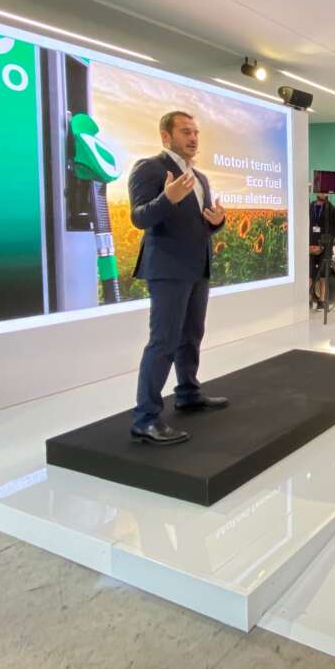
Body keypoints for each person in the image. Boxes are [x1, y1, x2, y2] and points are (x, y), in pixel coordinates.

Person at [127, 111, 228, 446]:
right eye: (186, 131)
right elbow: (140, 217)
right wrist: (167, 198)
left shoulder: (200, 177)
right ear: (165, 136)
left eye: (196, 132)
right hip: (168, 269)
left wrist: (217, 221)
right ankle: (146, 419)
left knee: (192, 335)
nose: (193, 138)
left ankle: (187, 393)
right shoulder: (150, 168)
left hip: (198, 267)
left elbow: (202, 223)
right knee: (164, 342)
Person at [309, 189, 335, 308]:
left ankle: (322, 301)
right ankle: (308, 299)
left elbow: (333, 231)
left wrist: (321, 246)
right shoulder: (309, 207)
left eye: (324, 192)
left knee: (323, 274)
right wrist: (307, 245)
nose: (322, 194)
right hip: (309, 247)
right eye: (320, 191)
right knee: (309, 274)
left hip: (325, 248)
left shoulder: (332, 210)